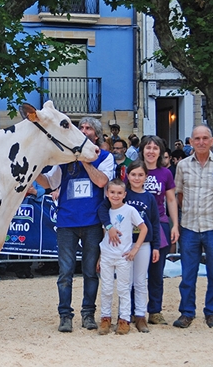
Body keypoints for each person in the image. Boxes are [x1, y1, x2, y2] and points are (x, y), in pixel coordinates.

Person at [36, 116, 114, 333]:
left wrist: (84, 160)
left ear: (96, 135)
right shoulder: (64, 159)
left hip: (92, 222)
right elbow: (50, 182)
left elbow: (101, 181)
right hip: (66, 222)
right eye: (81, 127)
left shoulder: (105, 157)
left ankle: (88, 314)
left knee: (90, 271)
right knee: (65, 272)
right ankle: (65, 315)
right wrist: (36, 169)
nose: (83, 130)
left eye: (88, 128)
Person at [172, 125, 213, 329]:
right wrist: (190, 212)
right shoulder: (182, 166)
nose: (200, 142)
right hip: (190, 227)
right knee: (188, 274)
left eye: (204, 138)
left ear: (212, 141)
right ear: (190, 141)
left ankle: (211, 313)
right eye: (196, 138)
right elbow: (179, 194)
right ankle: (187, 312)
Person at [96, 178, 147, 335]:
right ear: (107, 193)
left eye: (119, 193)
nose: (115, 196)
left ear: (125, 194)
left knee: (124, 288)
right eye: (112, 192)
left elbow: (143, 228)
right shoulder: (105, 212)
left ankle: (124, 319)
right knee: (106, 288)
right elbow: (104, 233)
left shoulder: (130, 210)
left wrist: (135, 248)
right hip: (106, 255)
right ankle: (105, 318)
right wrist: (99, 256)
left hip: (124, 256)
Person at [137, 136, 179, 325]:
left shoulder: (166, 174)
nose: (151, 151)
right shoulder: (134, 171)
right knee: (134, 272)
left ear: (160, 152)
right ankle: (133, 311)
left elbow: (171, 200)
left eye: (155, 148)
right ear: (142, 150)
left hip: (159, 225)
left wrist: (175, 225)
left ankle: (154, 310)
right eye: (148, 147)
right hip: (136, 226)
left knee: (156, 271)